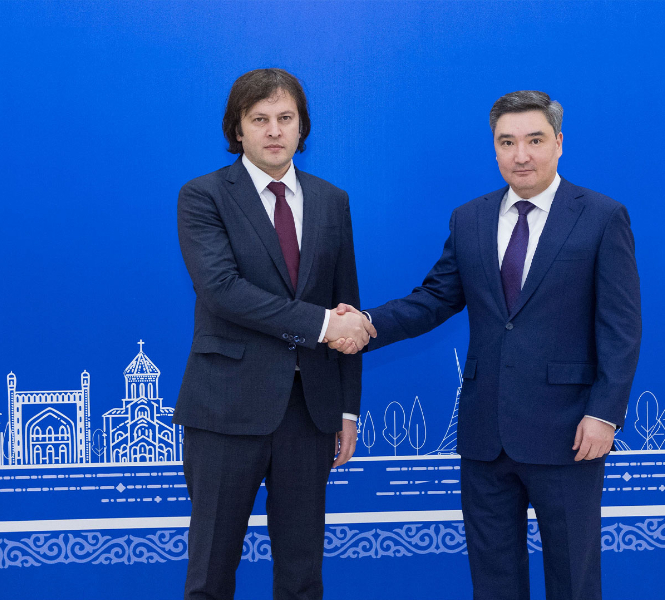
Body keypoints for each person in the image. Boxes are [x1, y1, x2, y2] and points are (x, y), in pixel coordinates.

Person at [333, 90, 641, 600]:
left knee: (574, 579)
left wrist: (604, 414)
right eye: (507, 142)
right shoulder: (469, 218)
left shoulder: (602, 216)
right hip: (485, 434)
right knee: (493, 581)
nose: (521, 155)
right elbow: (434, 299)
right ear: (494, 148)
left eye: (535, 140)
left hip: (570, 431)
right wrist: (366, 323)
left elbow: (621, 327)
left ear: (559, 143)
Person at [174, 68, 376, 600]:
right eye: (259, 118)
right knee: (210, 573)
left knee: (302, 575)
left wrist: (347, 409)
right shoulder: (204, 196)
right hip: (224, 410)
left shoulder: (332, 200)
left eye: (285, 118)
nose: (273, 130)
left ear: (301, 127)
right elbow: (222, 290)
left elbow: (346, 301)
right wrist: (324, 325)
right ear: (237, 129)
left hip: (309, 412)